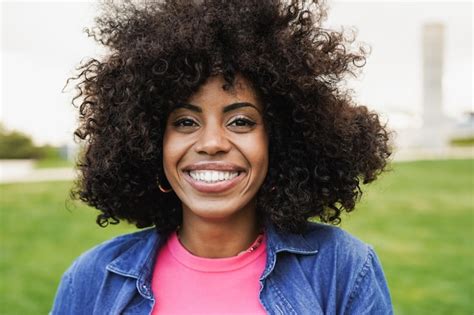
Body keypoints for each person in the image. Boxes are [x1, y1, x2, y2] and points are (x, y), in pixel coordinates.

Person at [51, 0, 393, 314]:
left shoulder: (343, 267)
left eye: (241, 121)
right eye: (185, 122)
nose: (212, 142)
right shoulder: (92, 279)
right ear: (151, 141)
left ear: (280, 138)